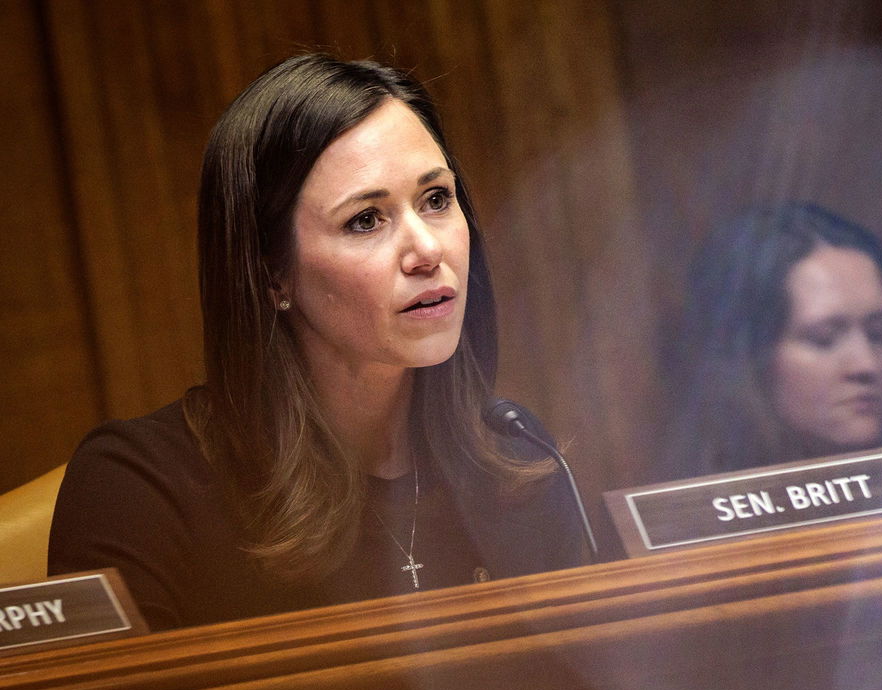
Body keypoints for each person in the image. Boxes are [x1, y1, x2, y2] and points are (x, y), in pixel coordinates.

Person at [48, 54, 583, 630]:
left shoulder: (517, 459)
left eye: (436, 200)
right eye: (366, 220)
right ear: (271, 273)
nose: (428, 250)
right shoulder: (139, 493)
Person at [657, 202, 882, 479]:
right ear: (748, 357)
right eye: (824, 339)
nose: (866, 365)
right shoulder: (694, 508)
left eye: (878, 334)